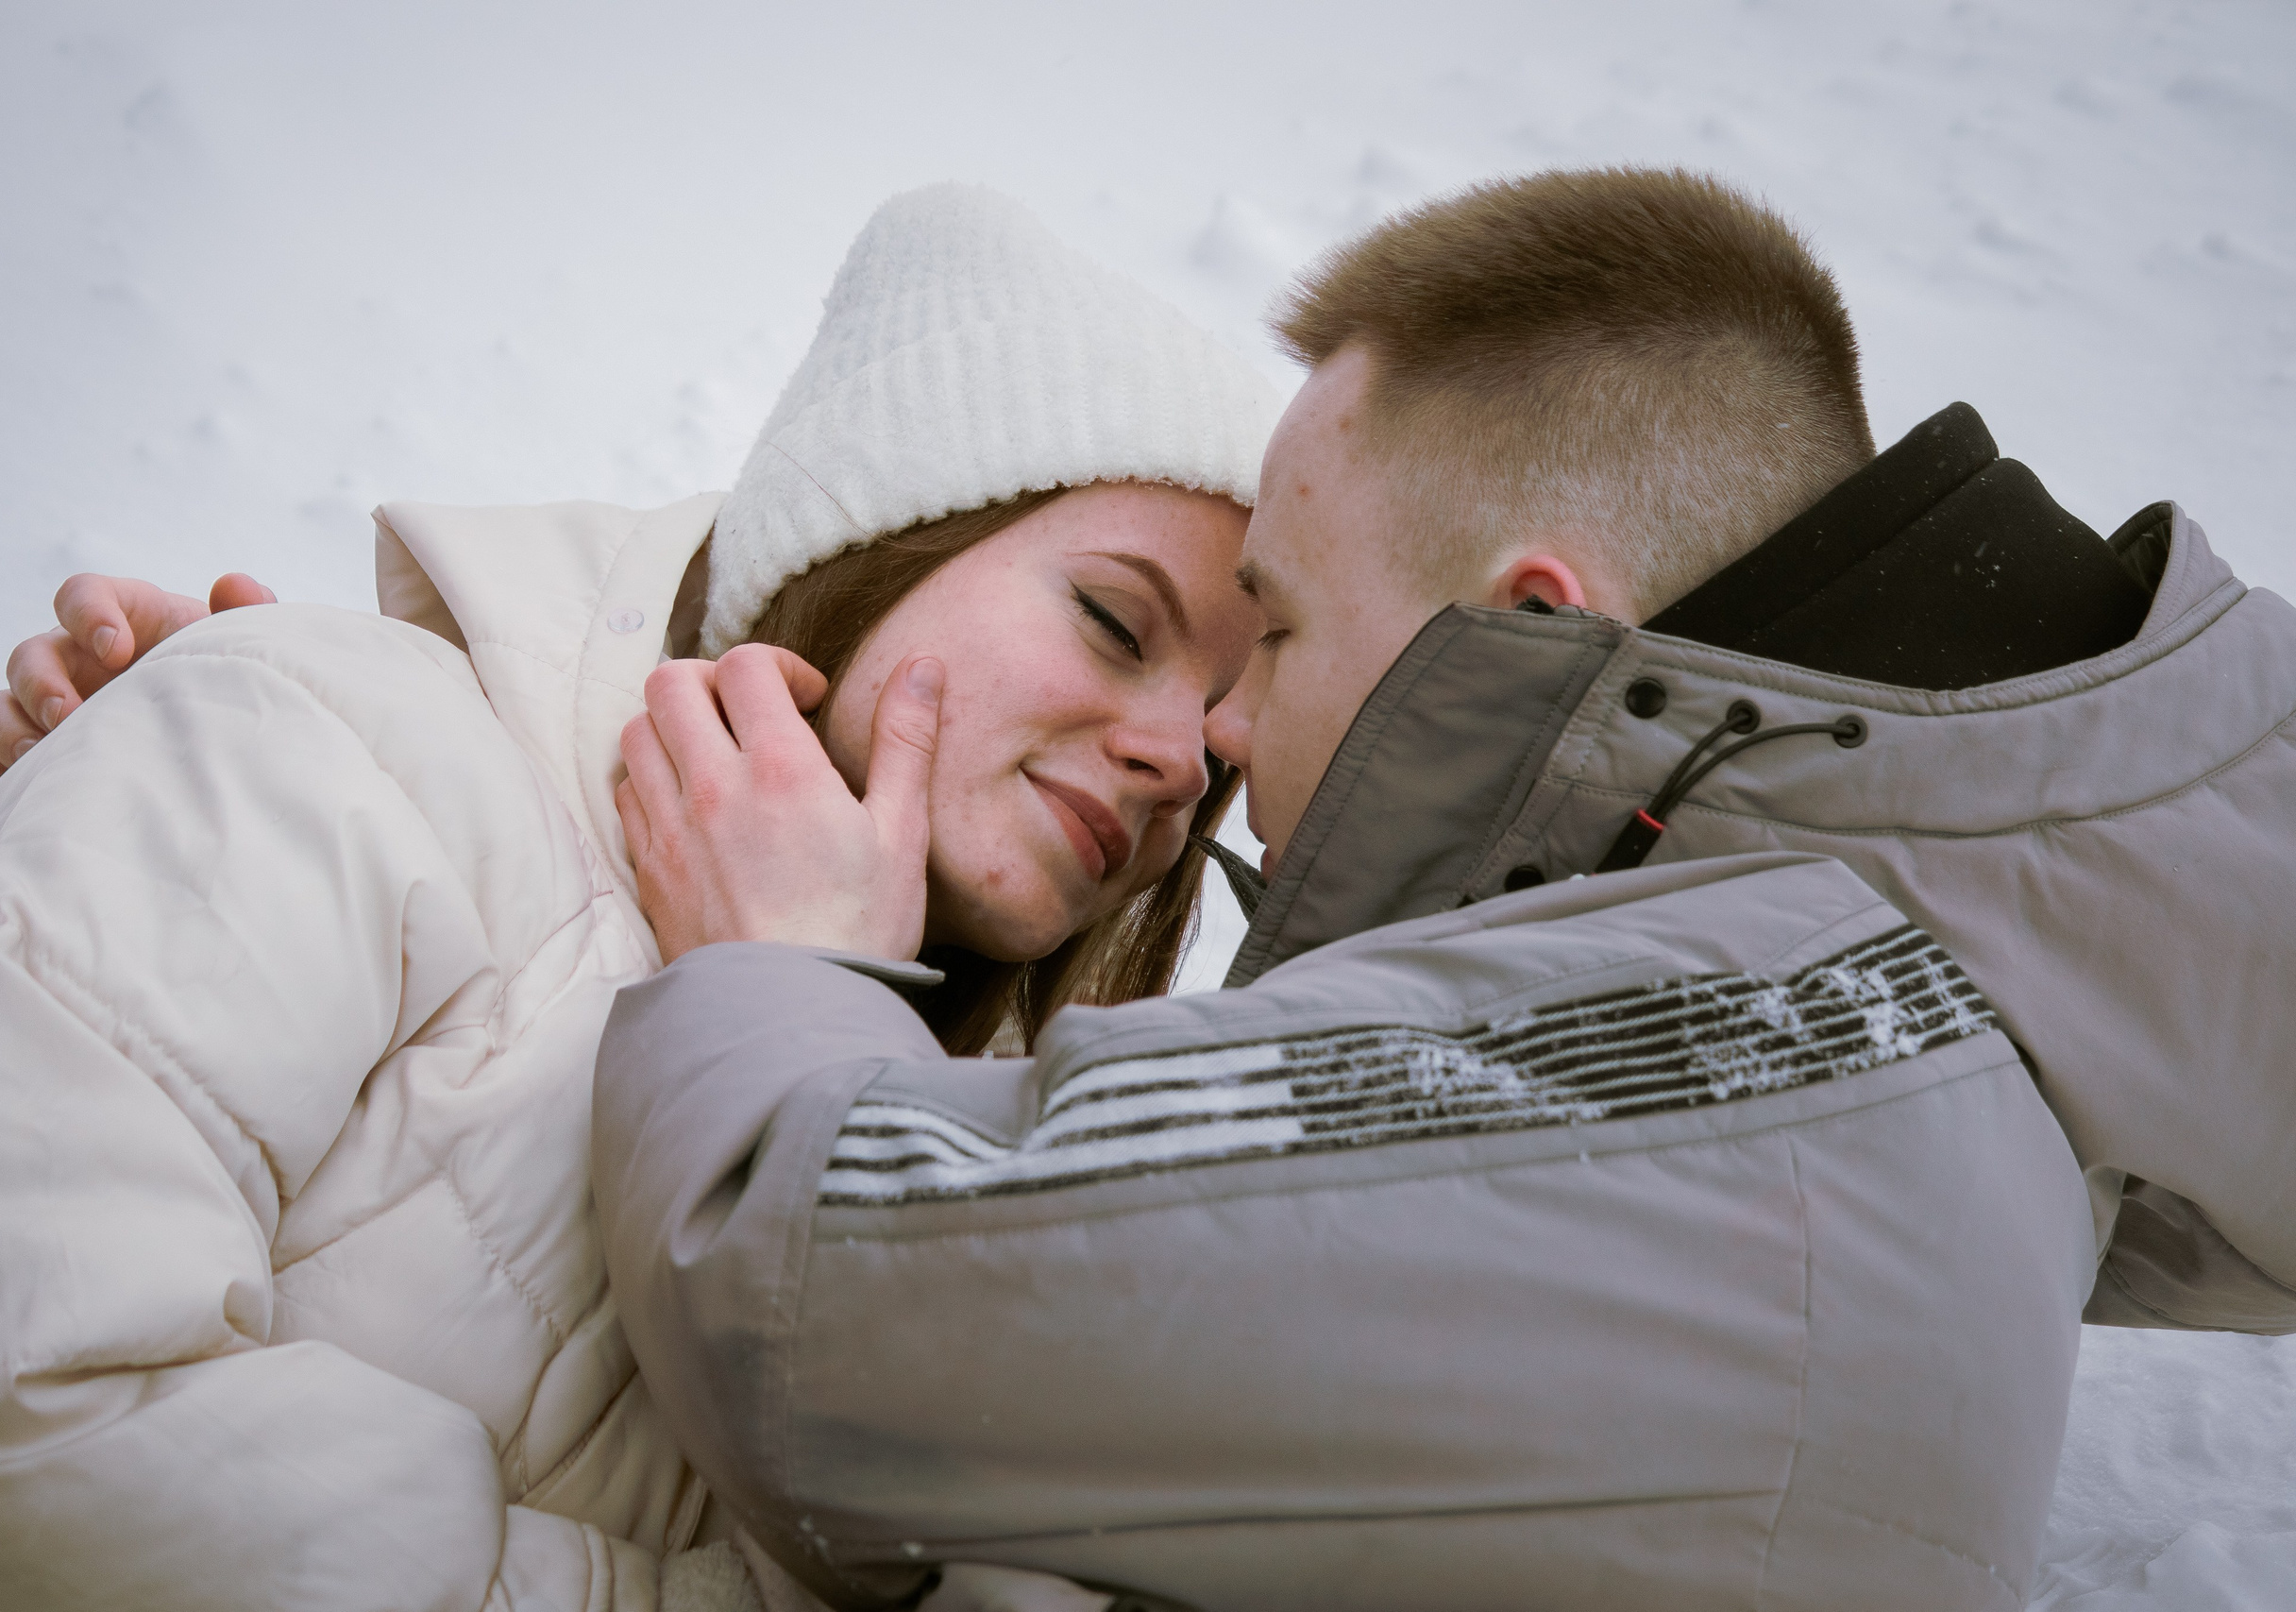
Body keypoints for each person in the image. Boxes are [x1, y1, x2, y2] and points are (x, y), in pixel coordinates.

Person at [584, 173, 2108, 1610]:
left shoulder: (1682, 1046)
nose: (1208, 753)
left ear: (1528, 632)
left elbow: (821, 1312)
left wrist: (791, 971)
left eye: (1281, 640)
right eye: (1118, 623)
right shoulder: (1892, 1036)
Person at [0, 183, 1278, 1612]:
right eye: (1115, 623)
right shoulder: (323, 747)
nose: (1176, 757)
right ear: (878, 539)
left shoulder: (984, 1182)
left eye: (1227, 740)